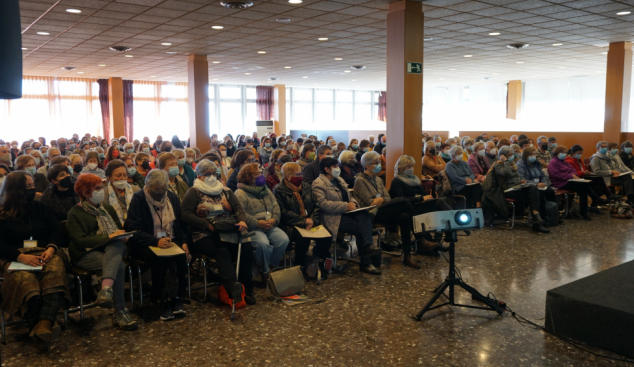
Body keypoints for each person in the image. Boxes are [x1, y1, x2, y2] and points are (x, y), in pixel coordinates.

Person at [0, 171, 69, 350]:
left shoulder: (42, 208)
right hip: (15, 254)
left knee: (54, 272)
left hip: (45, 251)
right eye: (28, 187)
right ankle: (46, 323)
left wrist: (51, 249)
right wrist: (20, 256)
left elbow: (55, 231)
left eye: (33, 185)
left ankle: (41, 324)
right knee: (26, 279)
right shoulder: (2, 214)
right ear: (16, 190)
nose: (33, 189)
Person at [67, 174, 138, 331]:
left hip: (112, 249)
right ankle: (120, 311)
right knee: (118, 265)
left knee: (116, 247)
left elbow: (119, 229)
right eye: (97, 189)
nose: (101, 191)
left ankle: (106, 291)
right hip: (86, 253)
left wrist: (120, 236)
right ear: (85, 193)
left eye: (101, 187)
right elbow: (80, 240)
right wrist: (109, 237)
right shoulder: (74, 213)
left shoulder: (107, 208)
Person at [181, 160, 256, 305]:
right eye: (206, 174)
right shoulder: (194, 191)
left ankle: (247, 289)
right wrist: (206, 224)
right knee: (222, 251)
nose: (211, 177)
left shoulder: (225, 190)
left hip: (227, 229)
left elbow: (238, 208)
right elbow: (185, 214)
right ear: (199, 176)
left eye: (213, 174)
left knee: (246, 248)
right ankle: (232, 288)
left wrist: (241, 220)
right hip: (204, 234)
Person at [126, 169, 190, 321]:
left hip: (169, 238)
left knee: (181, 256)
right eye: (156, 190)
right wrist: (155, 241)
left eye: (163, 189)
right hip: (146, 241)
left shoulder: (171, 198)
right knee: (159, 260)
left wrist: (185, 243)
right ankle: (161, 299)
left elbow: (179, 224)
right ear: (147, 185)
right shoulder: (139, 199)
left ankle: (176, 296)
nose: (160, 193)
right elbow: (134, 230)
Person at [354, 152, 424, 268]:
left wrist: (381, 199)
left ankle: (407, 255)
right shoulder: (360, 180)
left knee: (405, 217)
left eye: (379, 162)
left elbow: (387, 197)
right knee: (405, 203)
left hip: (382, 210)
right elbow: (370, 202)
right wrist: (381, 199)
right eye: (375, 163)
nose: (378, 165)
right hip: (371, 214)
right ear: (366, 165)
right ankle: (419, 239)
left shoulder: (377, 179)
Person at [312, 157, 382, 275]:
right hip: (332, 217)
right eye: (335, 166)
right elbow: (323, 204)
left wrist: (353, 203)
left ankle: (368, 248)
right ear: (326, 169)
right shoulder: (318, 183)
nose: (337, 169)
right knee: (361, 229)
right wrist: (345, 206)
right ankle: (366, 260)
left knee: (364, 214)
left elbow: (351, 195)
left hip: (347, 213)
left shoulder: (339, 179)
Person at [274, 162, 331, 278]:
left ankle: (318, 261)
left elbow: (316, 206)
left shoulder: (306, 187)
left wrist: (312, 220)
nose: (301, 176)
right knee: (302, 238)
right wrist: (302, 221)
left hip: (310, 220)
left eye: (301, 173)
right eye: (297, 174)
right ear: (288, 176)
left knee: (327, 236)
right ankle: (300, 265)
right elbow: (283, 212)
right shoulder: (279, 190)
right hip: (291, 224)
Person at [234, 163, 289, 282]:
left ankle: (264, 264)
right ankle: (265, 271)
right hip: (253, 227)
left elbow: (275, 206)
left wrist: (274, 219)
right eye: (257, 174)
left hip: (270, 224)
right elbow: (240, 213)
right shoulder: (240, 193)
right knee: (263, 244)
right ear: (248, 177)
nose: (261, 176)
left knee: (283, 240)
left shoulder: (265, 189)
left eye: (261, 173)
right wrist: (257, 223)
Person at [389, 155, 452, 242]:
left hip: (419, 205)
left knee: (439, 203)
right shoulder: (396, 182)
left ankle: (442, 236)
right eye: (408, 166)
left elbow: (423, 193)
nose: (411, 168)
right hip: (409, 208)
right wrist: (421, 198)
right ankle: (453, 225)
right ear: (401, 167)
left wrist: (428, 197)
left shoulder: (414, 179)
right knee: (439, 203)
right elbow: (401, 199)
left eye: (412, 166)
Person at [493, 146, 549, 233]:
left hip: (516, 188)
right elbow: (507, 173)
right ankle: (537, 219)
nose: (512, 156)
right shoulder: (498, 165)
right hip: (507, 190)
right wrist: (505, 161)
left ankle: (538, 220)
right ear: (503, 156)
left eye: (512, 154)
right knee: (534, 193)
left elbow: (516, 177)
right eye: (509, 155)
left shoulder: (513, 164)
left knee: (536, 191)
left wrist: (520, 181)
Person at [549, 145, 608, 219]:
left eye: (565, 152)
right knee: (583, 185)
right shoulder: (553, 162)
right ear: (557, 153)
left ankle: (584, 212)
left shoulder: (565, 162)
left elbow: (573, 170)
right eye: (562, 152)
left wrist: (573, 175)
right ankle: (596, 198)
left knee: (583, 191)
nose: (564, 154)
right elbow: (555, 175)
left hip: (569, 181)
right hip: (559, 183)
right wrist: (571, 176)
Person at [516, 147, 559, 215]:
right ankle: (542, 216)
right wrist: (536, 184)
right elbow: (523, 179)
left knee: (550, 191)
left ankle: (553, 215)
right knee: (540, 194)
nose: (533, 156)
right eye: (531, 154)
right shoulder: (521, 164)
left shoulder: (536, 163)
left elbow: (543, 175)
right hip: (530, 187)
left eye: (534, 154)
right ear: (526, 156)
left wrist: (544, 183)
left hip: (541, 184)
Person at [590, 141, 634, 205]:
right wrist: (610, 172)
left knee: (629, 178)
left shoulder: (607, 157)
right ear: (597, 148)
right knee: (627, 178)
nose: (604, 148)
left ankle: (629, 199)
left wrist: (616, 172)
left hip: (611, 176)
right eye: (602, 147)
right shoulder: (595, 158)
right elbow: (596, 172)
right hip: (604, 178)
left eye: (606, 147)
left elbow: (613, 167)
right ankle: (630, 199)